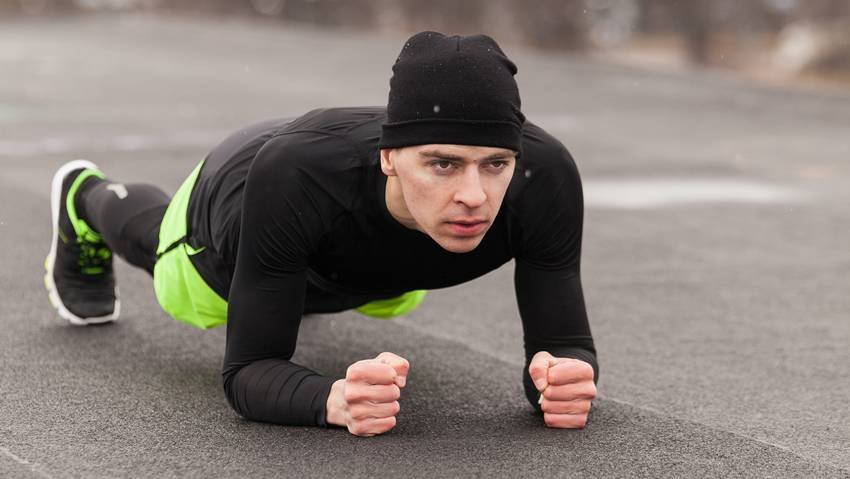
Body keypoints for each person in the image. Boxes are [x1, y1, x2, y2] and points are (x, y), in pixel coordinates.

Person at [44, 31, 598, 437]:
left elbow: (567, 346)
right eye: (443, 164)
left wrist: (561, 380)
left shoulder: (542, 177)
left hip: (359, 251)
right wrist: (330, 399)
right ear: (390, 159)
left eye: (494, 164)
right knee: (180, 284)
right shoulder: (297, 179)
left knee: (383, 295)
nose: (475, 195)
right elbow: (248, 372)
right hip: (246, 196)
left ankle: (289, 280)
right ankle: (85, 196)